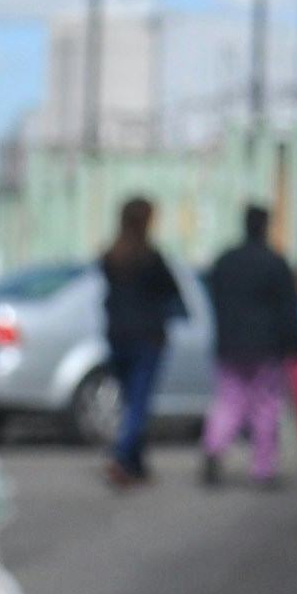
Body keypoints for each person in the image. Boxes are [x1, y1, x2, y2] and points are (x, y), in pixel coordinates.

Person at [197, 206, 297, 488]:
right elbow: (288, 309)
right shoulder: (274, 263)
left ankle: (214, 446)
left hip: (231, 343)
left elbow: (215, 302)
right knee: (266, 405)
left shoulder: (225, 261)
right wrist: (296, 344)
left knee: (229, 401)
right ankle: (263, 468)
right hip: (266, 345)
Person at [94, 197, 185, 489]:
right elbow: (171, 293)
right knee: (138, 403)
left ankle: (135, 464)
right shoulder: (150, 257)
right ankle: (122, 458)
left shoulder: (111, 256)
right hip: (146, 338)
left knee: (132, 402)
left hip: (117, 336)